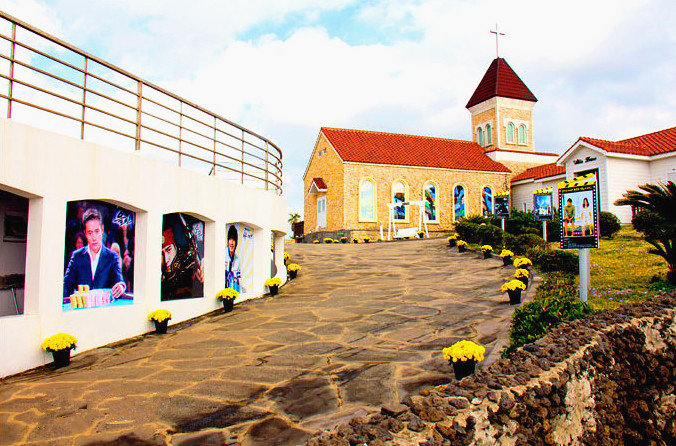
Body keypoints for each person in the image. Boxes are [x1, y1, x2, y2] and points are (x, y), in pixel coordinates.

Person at [63, 208, 125, 298]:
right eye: (90, 233)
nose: (94, 237)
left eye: (97, 231)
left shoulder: (112, 257)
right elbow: (66, 286)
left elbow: (119, 281)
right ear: (85, 233)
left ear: (102, 229)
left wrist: (121, 286)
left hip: (104, 310)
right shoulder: (77, 256)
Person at [161, 227, 204, 300]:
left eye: (168, 250)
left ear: (176, 247)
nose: (166, 259)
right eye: (161, 254)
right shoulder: (161, 275)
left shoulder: (188, 265)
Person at [225, 225, 242, 292]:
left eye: (233, 240)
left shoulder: (237, 259)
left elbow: (238, 277)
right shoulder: (223, 255)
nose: (231, 243)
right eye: (230, 239)